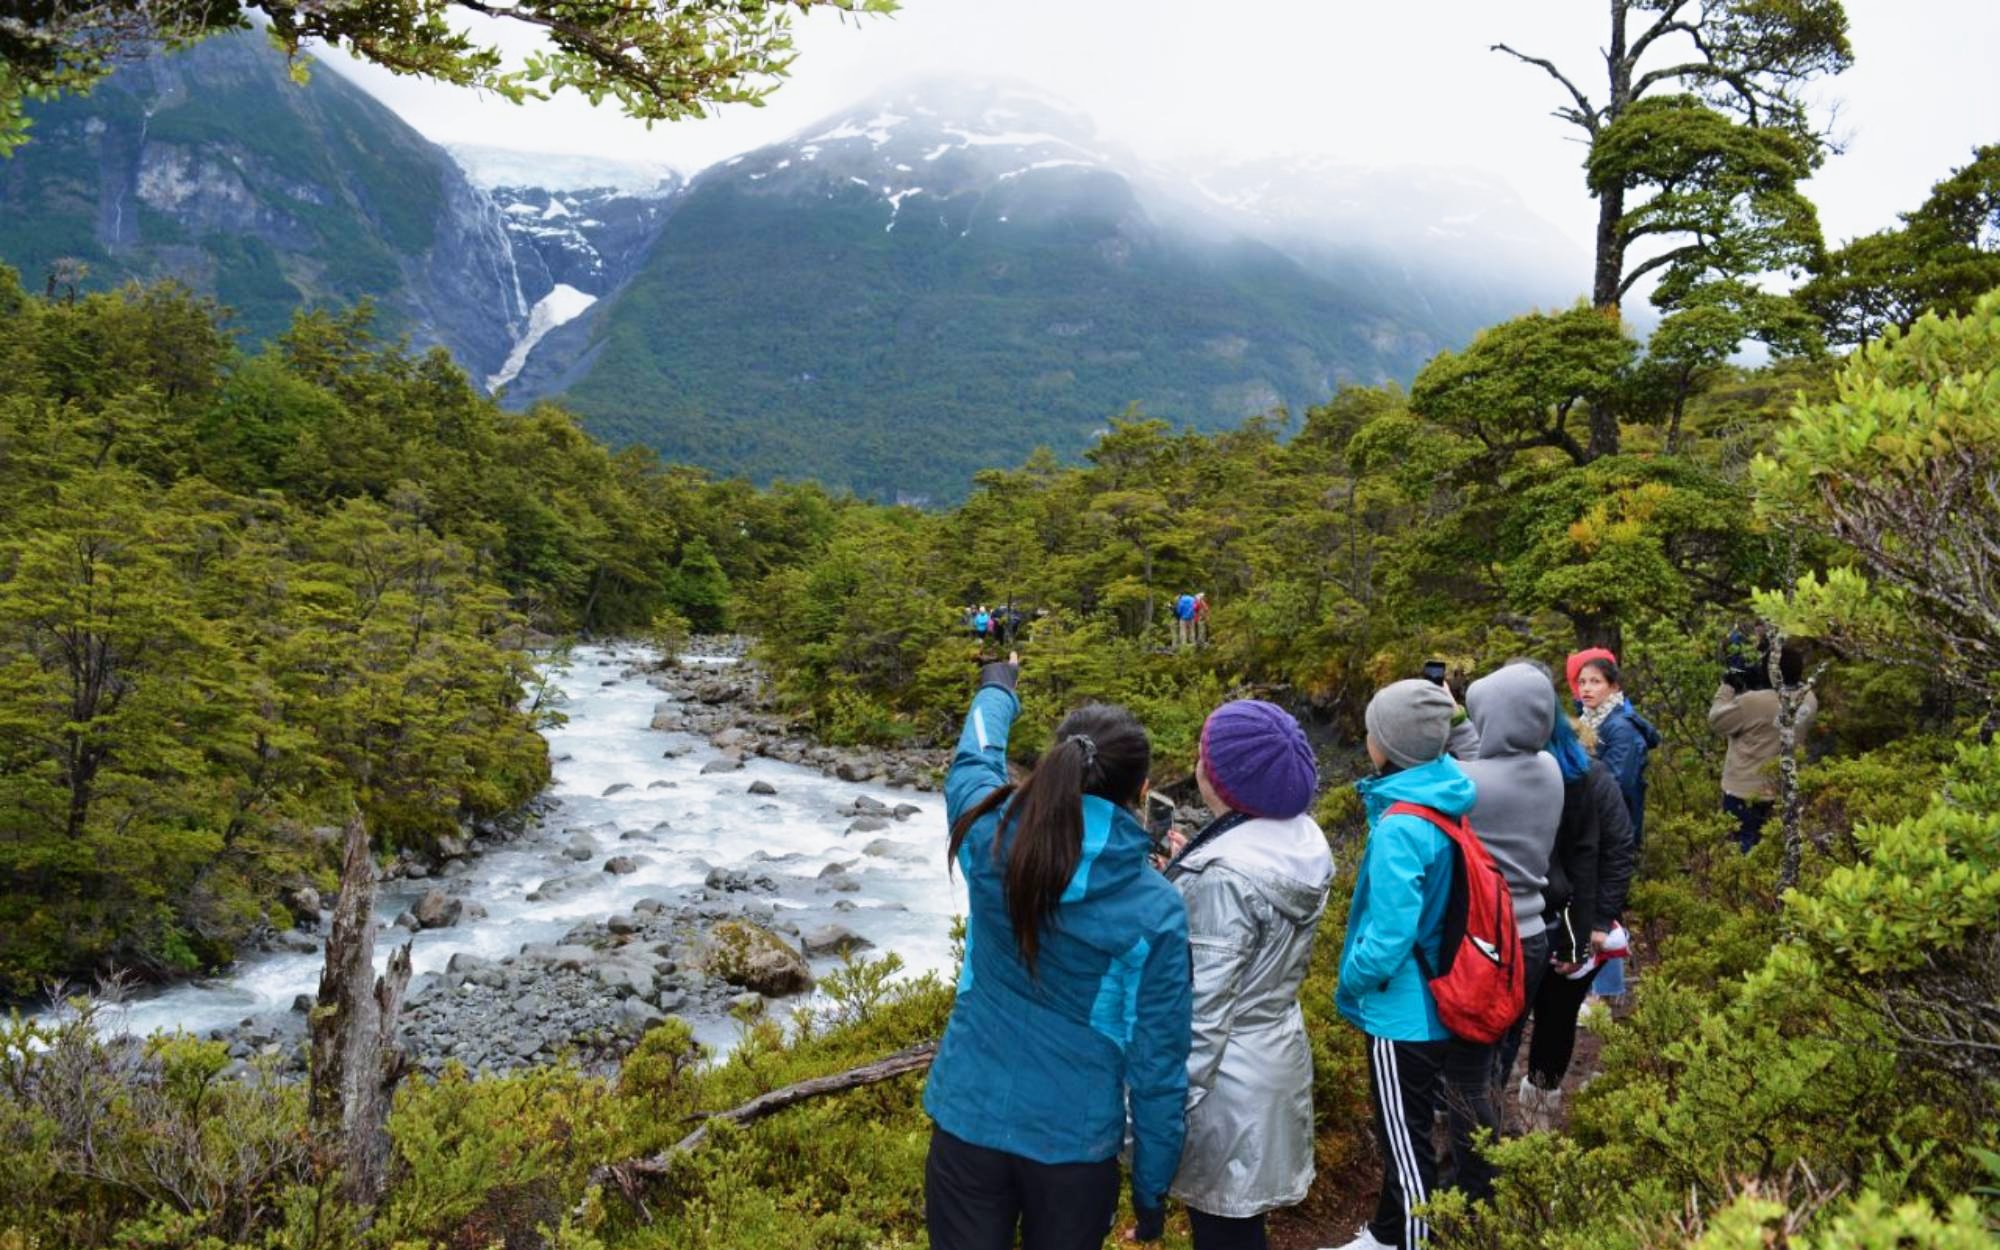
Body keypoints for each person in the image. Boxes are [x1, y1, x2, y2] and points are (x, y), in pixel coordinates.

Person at [926, 653, 1194, 1250]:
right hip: (1075, 1144)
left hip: (968, 1115)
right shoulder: (1155, 908)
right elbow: (1158, 1067)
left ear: (1055, 765)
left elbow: (974, 757)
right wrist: (1151, 1191)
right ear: (1141, 791)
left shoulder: (989, 838)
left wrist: (999, 686)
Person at [1160, 700, 1331, 1250]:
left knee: (1222, 1230)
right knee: (1238, 1228)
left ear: (1223, 779)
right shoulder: (1302, 843)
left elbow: (1202, 1015)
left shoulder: (1224, 878)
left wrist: (1156, 1122)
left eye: (1204, 753)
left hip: (1224, 1085)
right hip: (1272, 1053)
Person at [1331, 679, 1476, 1250]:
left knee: (1406, 1145)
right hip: (1437, 991)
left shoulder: (1400, 826)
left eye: (1373, 730)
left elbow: (1390, 935)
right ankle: (1386, 1232)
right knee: (1407, 1129)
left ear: (1388, 745)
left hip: (1402, 1009)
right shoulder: (1443, 794)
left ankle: (1413, 1238)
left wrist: (1352, 977)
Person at [1439, 662, 1562, 1202]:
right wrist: (1460, 719)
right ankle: (1483, 1167)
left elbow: (1449, 771)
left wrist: (1440, 718)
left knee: (1464, 1076)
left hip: (1489, 946)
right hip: (1532, 939)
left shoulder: (1466, 785)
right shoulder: (1549, 769)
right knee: (1490, 1062)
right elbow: (1487, 756)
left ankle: (1479, 1192)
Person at [1513, 709, 1634, 1130]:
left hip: (1571, 921)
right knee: (1523, 1020)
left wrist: (1598, 921)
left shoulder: (1592, 779)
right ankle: (1498, 1117)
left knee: (1556, 1019)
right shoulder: (1508, 775)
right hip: (1528, 921)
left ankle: (1535, 1120)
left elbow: (1619, 847)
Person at [1569, 654, 1658, 1004]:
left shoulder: (1619, 728)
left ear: (1613, 686)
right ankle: (1602, 989)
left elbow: (1616, 784)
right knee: (1599, 905)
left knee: (1605, 909)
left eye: (1596, 682)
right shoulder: (1591, 721)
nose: (1587, 689)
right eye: (1582, 682)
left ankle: (1604, 993)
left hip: (1614, 830)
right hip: (1599, 827)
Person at [1709, 644, 1818, 852]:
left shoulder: (1753, 702)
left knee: (1743, 850)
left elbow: (1717, 720)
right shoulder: (1809, 699)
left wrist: (1727, 688)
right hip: (1783, 788)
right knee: (1776, 850)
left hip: (1744, 791)